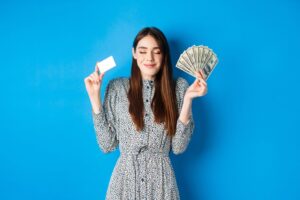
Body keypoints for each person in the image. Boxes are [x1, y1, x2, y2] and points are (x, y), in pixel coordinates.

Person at [84, 27, 207, 200]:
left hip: (162, 187)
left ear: (164, 55)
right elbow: (107, 145)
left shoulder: (179, 88)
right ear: (134, 53)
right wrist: (94, 98)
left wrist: (187, 100)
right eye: (142, 51)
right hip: (124, 185)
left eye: (156, 52)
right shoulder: (117, 88)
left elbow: (179, 147)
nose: (149, 58)